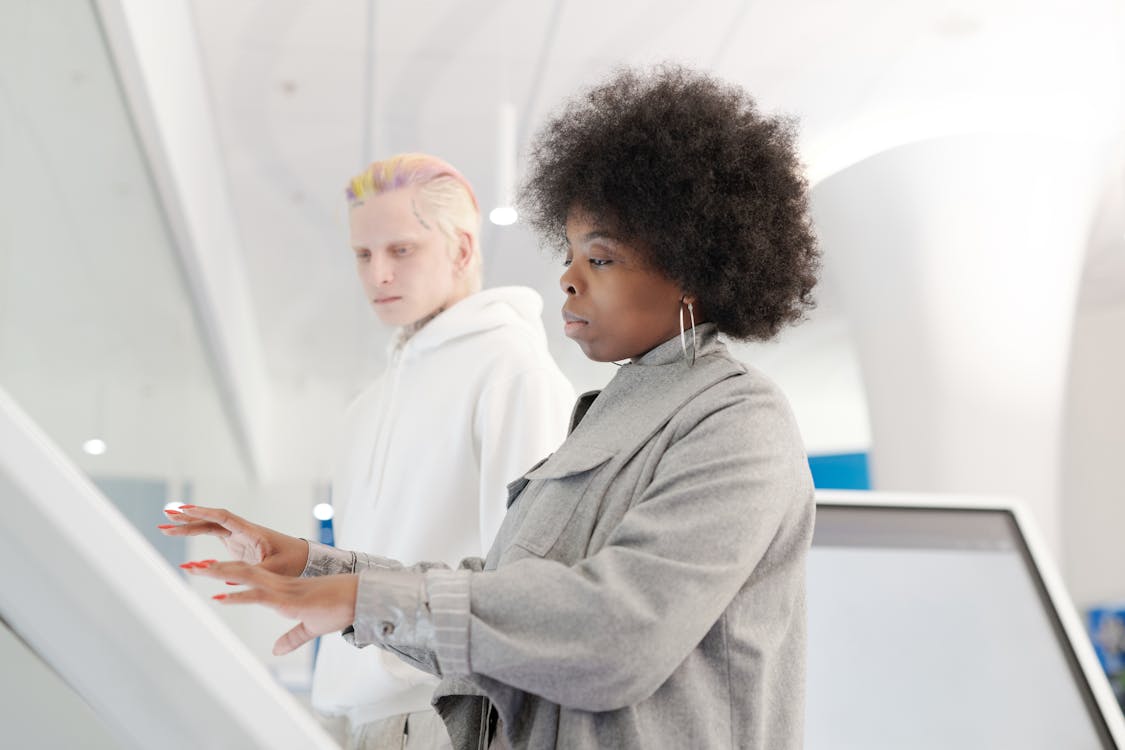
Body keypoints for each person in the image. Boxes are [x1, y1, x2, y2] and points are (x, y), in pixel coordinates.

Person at [167, 64, 820, 749]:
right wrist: (312, 564)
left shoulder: (740, 422)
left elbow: (616, 632)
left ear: (691, 266)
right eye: (567, 254)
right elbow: (502, 592)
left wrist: (362, 598)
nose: (565, 279)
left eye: (598, 259)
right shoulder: (609, 416)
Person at [165, 153, 575, 750]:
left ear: (461, 250)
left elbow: (523, 588)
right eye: (363, 254)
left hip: (449, 721)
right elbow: (377, 567)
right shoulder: (366, 407)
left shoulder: (513, 371)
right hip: (355, 721)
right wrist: (302, 561)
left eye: (401, 250)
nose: (377, 273)